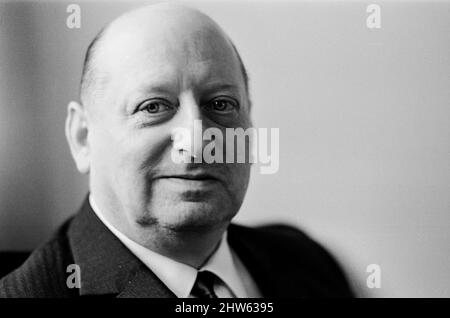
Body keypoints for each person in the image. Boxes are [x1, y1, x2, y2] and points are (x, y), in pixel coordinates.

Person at [0, 3, 353, 298]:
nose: (198, 140)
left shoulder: (308, 265)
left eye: (221, 103)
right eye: (153, 107)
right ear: (81, 137)